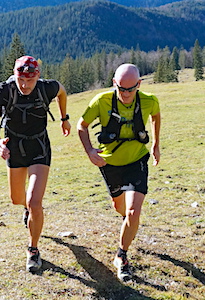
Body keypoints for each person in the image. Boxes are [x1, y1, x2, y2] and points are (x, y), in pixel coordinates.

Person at [0, 56, 70, 273]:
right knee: (17, 199)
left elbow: (62, 91)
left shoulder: (46, 88)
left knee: (35, 202)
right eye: (21, 79)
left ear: (37, 76)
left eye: (29, 81)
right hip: (14, 147)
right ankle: (26, 209)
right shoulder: (5, 90)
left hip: (39, 146)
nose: (24, 85)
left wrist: (64, 117)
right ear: (15, 74)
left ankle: (33, 250)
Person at [76, 64, 161, 281]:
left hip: (136, 160)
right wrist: (89, 151)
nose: (125, 94)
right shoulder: (101, 101)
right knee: (119, 206)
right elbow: (81, 125)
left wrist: (156, 144)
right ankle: (126, 220)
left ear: (139, 85)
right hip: (109, 163)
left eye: (130, 89)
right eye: (120, 89)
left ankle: (121, 255)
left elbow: (156, 116)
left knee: (134, 211)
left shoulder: (149, 100)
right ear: (114, 83)